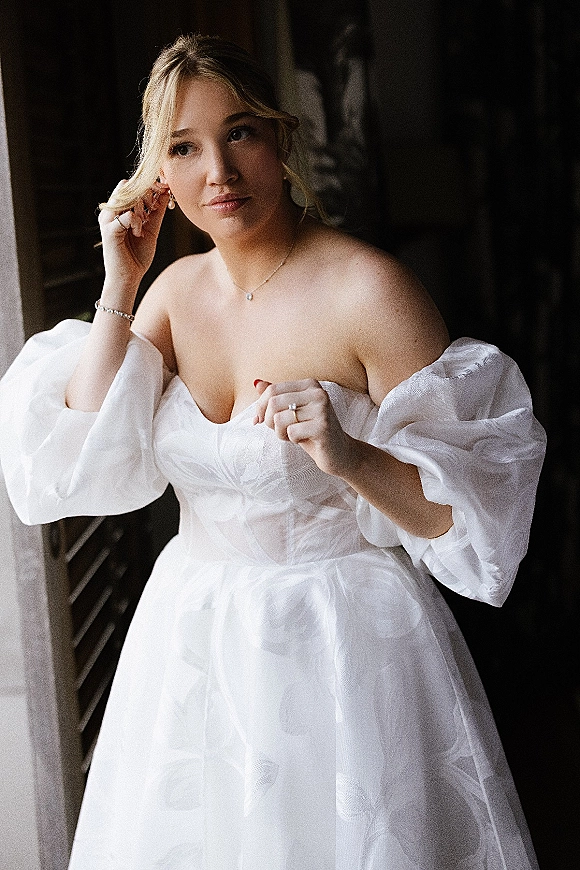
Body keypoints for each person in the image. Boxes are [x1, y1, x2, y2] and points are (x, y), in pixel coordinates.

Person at [0, 33, 545, 870]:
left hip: (341, 641)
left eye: (241, 131)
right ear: (160, 175)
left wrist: (349, 455)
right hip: (193, 640)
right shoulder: (174, 296)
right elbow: (76, 459)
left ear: (284, 138)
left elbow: (468, 528)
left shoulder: (369, 291)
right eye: (184, 147)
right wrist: (122, 280)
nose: (217, 169)